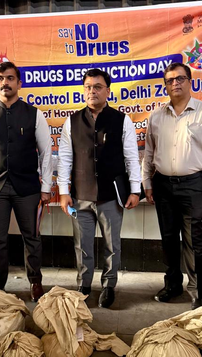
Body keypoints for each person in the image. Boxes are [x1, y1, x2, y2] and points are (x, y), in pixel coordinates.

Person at [142, 62, 202, 309]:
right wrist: (147, 182)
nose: (175, 83)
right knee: (168, 238)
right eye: (170, 80)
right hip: (162, 185)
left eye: (180, 78)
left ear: (190, 81)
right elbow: (149, 154)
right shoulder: (157, 116)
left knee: (194, 239)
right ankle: (172, 285)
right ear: (165, 85)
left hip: (193, 185)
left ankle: (198, 289)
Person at [0, 60, 52, 301]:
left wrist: (46, 187)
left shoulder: (34, 115)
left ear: (19, 83)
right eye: (1, 79)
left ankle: (35, 282)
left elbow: (46, 153)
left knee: (32, 237)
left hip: (28, 188)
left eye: (10, 78)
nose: (5, 83)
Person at [57, 68, 142, 308]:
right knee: (82, 245)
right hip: (80, 196)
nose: (92, 91)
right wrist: (63, 192)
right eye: (88, 87)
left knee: (112, 245)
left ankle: (109, 285)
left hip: (111, 196)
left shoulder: (121, 120)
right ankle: (84, 285)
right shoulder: (72, 122)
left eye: (97, 87)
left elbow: (131, 157)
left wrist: (135, 190)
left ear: (107, 91)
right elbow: (65, 159)